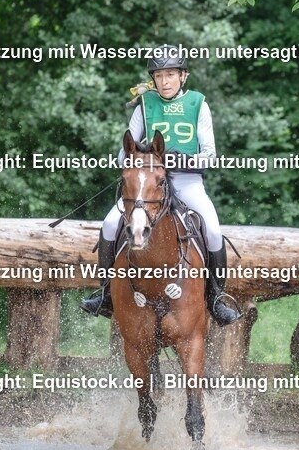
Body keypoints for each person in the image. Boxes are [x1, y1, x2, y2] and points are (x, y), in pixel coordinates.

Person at [81, 44, 241, 326]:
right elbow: (124, 154)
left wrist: (183, 159)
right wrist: (142, 156)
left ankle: (216, 298)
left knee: (213, 231)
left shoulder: (198, 103)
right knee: (108, 225)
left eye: (170, 75)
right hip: (148, 185)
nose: (164, 81)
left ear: (183, 76)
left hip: (187, 182)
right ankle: (105, 292)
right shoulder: (145, 104)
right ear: (152, 79)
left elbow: (210, 154)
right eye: (159, 76)